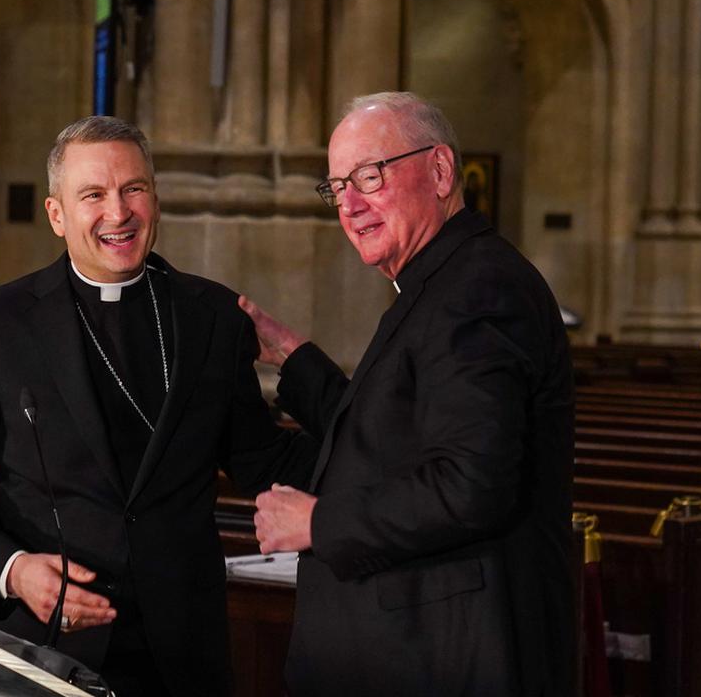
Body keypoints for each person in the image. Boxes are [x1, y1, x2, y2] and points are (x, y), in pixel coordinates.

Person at [0, 115, 318, 696]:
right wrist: (15, 571)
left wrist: (355, 414)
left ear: (154, 197)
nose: (117, 213)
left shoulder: (211, 315)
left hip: (184, 653)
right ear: (57, 215)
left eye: (133, 189)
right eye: (93, 195)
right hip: (45, 649)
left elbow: (262, 460)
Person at [241, 92, 574, 696]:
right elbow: (396, 435)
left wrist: (321, 521)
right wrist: (295, 360)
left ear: (441, 171)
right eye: (337, 187)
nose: (351, 205)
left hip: (447, 658)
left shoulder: (476, 289)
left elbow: (470, 483)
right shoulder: (445, 280)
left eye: (369, 176)